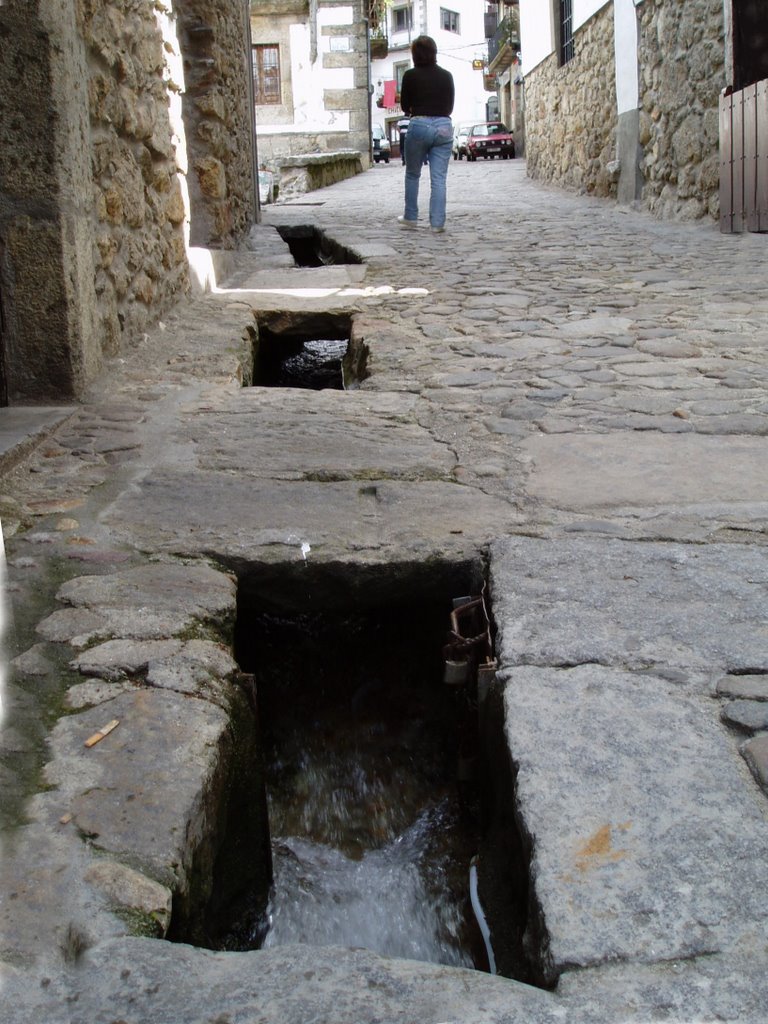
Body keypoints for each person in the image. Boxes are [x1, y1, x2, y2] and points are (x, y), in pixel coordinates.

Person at [397, 35, 454, 234]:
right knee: (439, 178)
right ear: (434, 53)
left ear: (415, 55)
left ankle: (411, 217)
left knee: (413, 174)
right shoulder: (447, 76)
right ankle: (437, 223)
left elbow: (405, 106)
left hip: (419, 124)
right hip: (443, 126)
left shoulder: (410, 76)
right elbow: (450, 106)